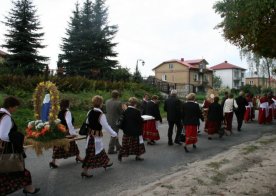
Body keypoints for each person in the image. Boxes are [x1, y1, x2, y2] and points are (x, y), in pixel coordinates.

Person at [0, 96, 40, 195]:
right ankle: (29, 188)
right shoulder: (6, 117)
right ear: (10, 106)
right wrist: (20, 137)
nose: (16, 109)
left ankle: (29, 188)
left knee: (5, 171)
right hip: (7, 149)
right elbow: (3, 135)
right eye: (15, 107)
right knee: (16, 168)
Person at [81, 96, 117, 178]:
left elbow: (87, 122)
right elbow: (106, 126)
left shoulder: (90, 111)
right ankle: (84, 171)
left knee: (100, 150)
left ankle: (105, 163)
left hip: (90, 136)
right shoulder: (101, 115)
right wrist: (114, 134)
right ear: (100, 104)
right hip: (95, 138)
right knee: (91, 154)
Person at [49, 99, 83, 168]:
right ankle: (78, 157)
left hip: (60, 131)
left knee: (58, 146)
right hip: (67, 132)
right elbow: (69, 123)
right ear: (68, 105)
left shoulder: (59, 112)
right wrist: (72, 132)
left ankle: (53, 161)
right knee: (72, 144)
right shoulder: (67, 112)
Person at [118, 97, 145, 162]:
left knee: (126, 144)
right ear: (135, 104)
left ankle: (121, 154)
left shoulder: (125, 111)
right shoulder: (137, 111)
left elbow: (123, 121)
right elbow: (139, 121)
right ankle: (138, 156)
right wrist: (143, 120)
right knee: (137, 144)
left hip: (127, 131)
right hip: (135, 131)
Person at [105, 90, 123, 154]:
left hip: (108, 120)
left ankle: (118, 146)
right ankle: (110, 149)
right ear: (117, 96)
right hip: (115, 121)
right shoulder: (118, 103)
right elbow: (121, 112)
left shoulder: (107, 101)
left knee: (114, 133)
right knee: (114, 134)